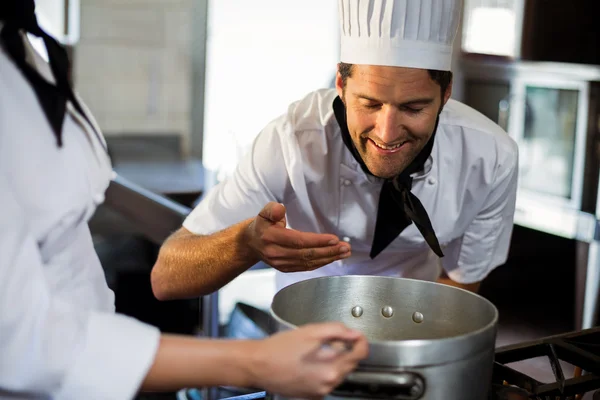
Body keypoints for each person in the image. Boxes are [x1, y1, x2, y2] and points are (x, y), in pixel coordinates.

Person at [0, 2, 369, 399]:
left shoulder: (24, 52)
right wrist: (256, 360)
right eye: (370, 103)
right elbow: (21, 339)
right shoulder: (292, 138)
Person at [151, 0, 519, 301]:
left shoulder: (490, 159)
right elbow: (166, 279)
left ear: (446, 93)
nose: (387, 133)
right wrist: (246, 243)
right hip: (299, 339)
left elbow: (460, 286)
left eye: (413, 108)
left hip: (414, 327)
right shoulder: (291, 140)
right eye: (370, 104)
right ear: (341, 85)